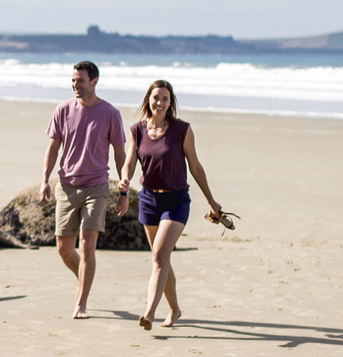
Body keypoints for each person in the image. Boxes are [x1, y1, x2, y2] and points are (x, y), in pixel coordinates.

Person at [119, 79, 224, 330]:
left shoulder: (182, 130)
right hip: (148, 199)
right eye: (156, 98)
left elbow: (195, 167)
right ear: (148, 100)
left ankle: (149, 312)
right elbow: (130, 162)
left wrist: (211, 200)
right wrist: (124, 179)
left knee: (158, 255)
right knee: (162, 258)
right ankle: (175, 309)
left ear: (170, 102)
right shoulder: (137, 130)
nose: (160, 102)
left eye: (165, 98)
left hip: (176, 199)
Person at [39, 60, 129, 318]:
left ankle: (81, 303)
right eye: (73, 80)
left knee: (88, 245)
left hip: (97, 187)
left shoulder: (110, 113)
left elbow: (120, 153)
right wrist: (45, 180)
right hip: (66, 187)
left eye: (80, 80)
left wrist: (123, 190)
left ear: (94, 82)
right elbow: (53, 148)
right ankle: (84, 277)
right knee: (64, 248)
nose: (75, 85)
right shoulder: (63, 110)